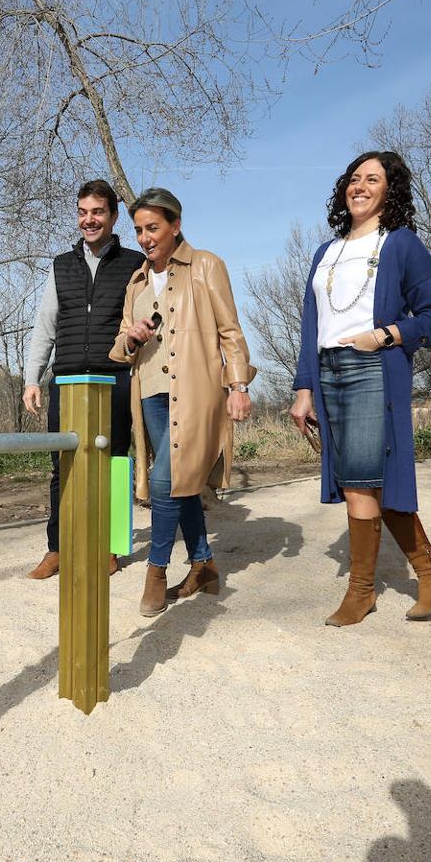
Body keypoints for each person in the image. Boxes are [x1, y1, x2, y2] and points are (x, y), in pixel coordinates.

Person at [289, 151, 431, 628]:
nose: (360, 186)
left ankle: (362, 591)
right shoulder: (326, 252)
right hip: (327, 372)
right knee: (356, 479)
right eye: (354, 178)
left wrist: (384, 335)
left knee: (363, 481)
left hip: (371, 367)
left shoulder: (402, 245)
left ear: (390, 190)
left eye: (373, 179)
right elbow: (310, 326)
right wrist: (303, 389)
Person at [109, 187, 256, 617]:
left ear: (175, 225)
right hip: (151, 394)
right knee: (182, 484)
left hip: (195, 394)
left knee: (161, 482)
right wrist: (131, 338)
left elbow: (230, 330)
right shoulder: (135, 282)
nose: (145, 238)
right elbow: (119, 348)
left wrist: (239, 386)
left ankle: (155, 571)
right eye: (138, 230)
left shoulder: (206, 265)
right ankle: (204, 564)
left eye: (152, 227)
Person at [23, 180, 147, 579]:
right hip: (68, 380)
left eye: (97, 212)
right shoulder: (62, 265)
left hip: (115, 379)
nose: (88, 220)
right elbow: (45, 326)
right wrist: (32, 378)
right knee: (63, 466)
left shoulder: (133, 264)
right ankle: (58, 548)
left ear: (112, 217)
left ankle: (110, 548)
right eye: (82, 212)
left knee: (113, 464)